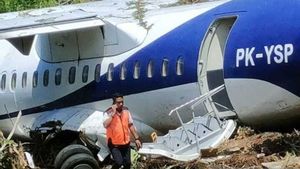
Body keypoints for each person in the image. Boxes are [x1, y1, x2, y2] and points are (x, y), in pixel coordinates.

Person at [103, 93, 142, 169]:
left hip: (126, 143)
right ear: (114, 103)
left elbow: (130, 125)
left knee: (127, 163)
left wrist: (137, 139)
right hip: (114, 144)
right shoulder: (108, 112)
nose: (121, 104)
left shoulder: (126, 111)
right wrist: (113, 114)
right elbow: (105, 125)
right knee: (119, 162)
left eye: (122, 102)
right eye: (118, 102)